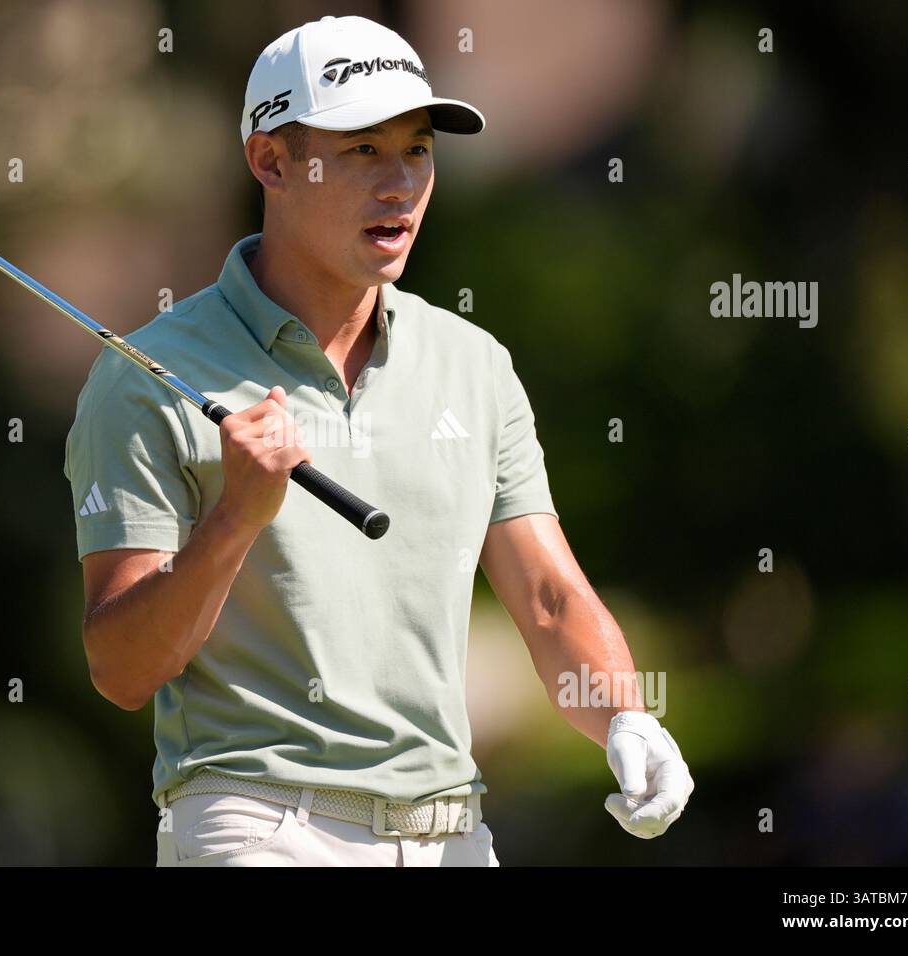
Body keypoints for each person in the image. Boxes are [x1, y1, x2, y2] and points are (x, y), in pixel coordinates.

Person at [65, 14, 693, 867]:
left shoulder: (473, 363)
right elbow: (123, 669)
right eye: (362, 150)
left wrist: (624, 713)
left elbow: (547, 597)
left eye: (418, 150)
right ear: (271, 161)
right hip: (259, 823)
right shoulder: (146, 375)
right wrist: (236, 519)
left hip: (451, 834)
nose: (400, 183)